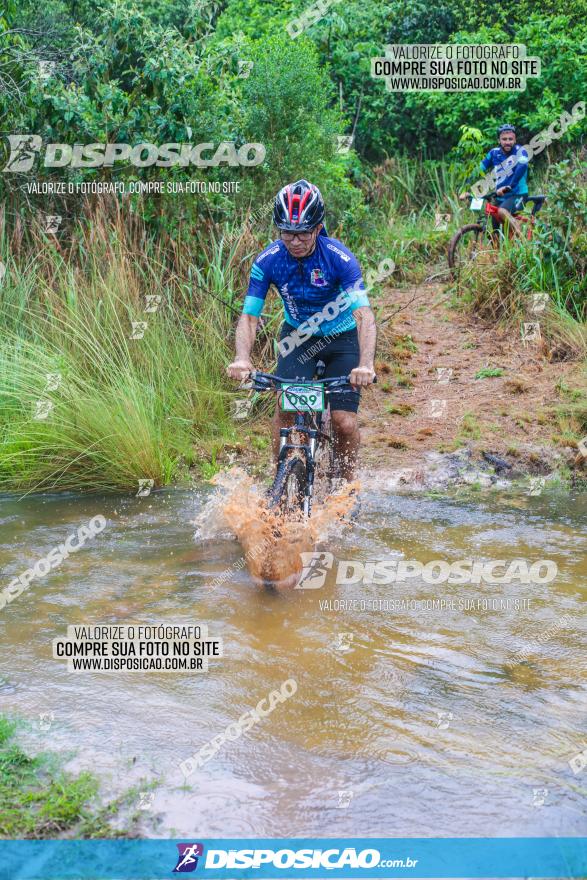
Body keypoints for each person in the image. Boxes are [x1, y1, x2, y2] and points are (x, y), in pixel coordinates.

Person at [227, 179, 376, 481]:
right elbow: (250, 316)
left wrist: (365, 365)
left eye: (303, 233)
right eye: (287, 233)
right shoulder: (268, 260)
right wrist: (242, 358)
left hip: (342, 338)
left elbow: (364, 315)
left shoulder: (339, 258)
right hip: (298, 338)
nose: (295, 241)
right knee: (285, 414)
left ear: (318, 228)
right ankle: (280, 478)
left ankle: (347, 488)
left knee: (343, 421)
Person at [461, 124, 530, 236]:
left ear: (515, 139)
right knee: (495, 231)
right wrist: (466, 189)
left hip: (518, 195)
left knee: (502, 211)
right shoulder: (494, 153)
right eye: (504, 139)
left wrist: (510, 186)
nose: (507, 142)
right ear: (499, 140)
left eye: (510, 139)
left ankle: (522, 239)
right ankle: (498, 248)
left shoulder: (521, 151)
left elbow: (522, 167)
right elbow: (478, 171)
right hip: (500, 196)